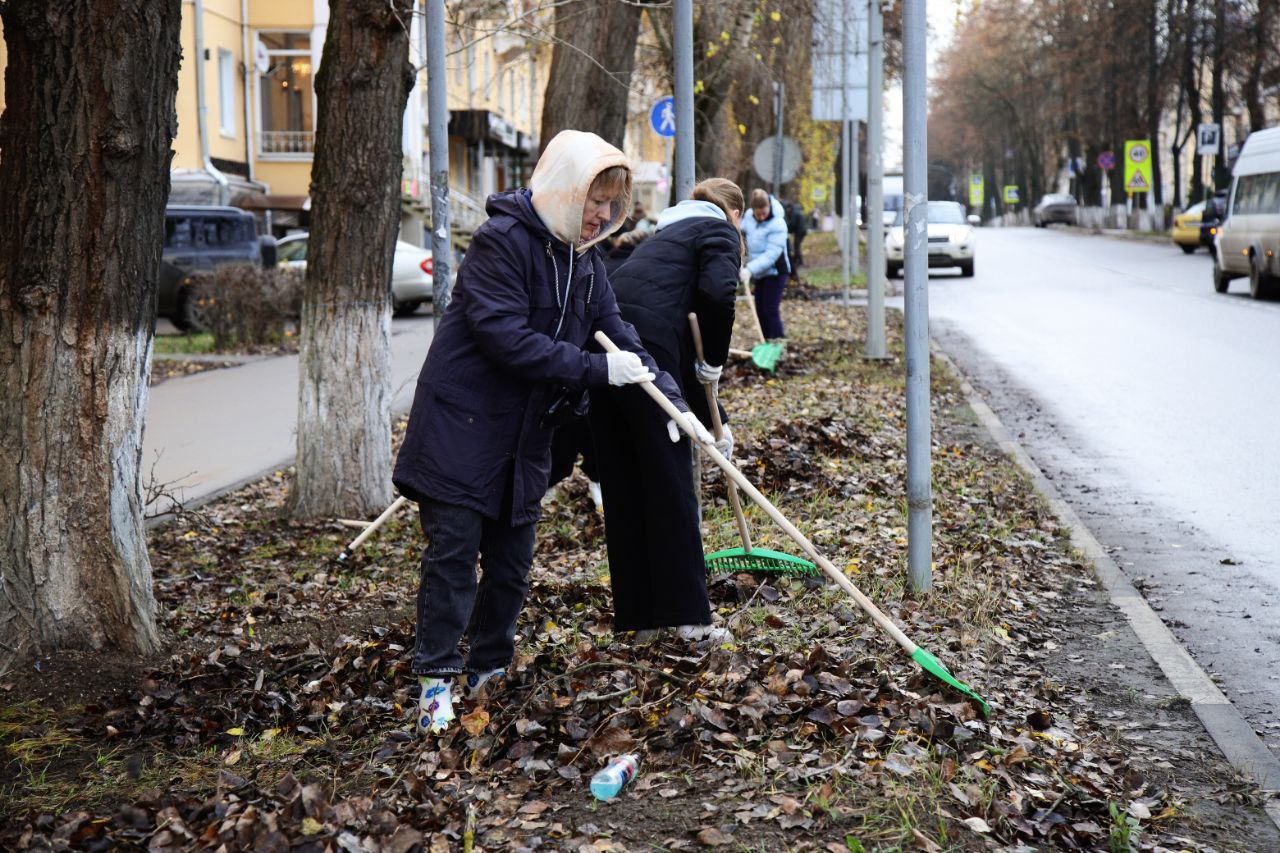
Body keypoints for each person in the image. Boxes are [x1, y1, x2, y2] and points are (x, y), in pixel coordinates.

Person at [392, 130, 713, 735]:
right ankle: (436, 681)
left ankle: (490, 669)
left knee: (511, 566)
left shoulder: (584, 262)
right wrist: (597, 369)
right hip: (463, 427)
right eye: (597, 199)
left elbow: (625, 339)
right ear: (566, 187)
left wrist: (677, 407)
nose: (602, 215)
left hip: (522, 437)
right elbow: (506, 339)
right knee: (455, 558)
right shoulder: (500, 242)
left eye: (613, 203)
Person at [590, 178, 744, 642]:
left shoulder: (662, 240)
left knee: (627, 483)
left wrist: (718, 419)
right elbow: (717, 299)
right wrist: (715, 360)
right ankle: (690, 620)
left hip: (606, 354)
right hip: (646, 357)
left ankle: (641, 619)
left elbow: (678, 335)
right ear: (732, 213)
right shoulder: (715, 232)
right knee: (671, 483)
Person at [742, 189, 791, 340]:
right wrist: (739, 261)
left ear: (769, 206)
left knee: (770, 310)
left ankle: (777, 343)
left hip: (776, 272)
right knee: (760, 310)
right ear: (753, 211)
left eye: (764, 212)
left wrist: (749, 269)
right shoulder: (749, 218)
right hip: (759, 273)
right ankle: (766, 343)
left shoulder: (778, 223)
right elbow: (741, 237)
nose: (762, 217)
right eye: (758, 214)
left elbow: (772, 255)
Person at [784, 200, 808, 279]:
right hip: (801, 231)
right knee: (797, 245)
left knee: (796, 246)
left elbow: (793, 223)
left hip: (800, 231)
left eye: (788, 208)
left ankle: (799, 261)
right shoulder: (796, 211)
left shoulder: (794, 213)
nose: (787, 210)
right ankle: (798, 260)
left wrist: (789, 229)